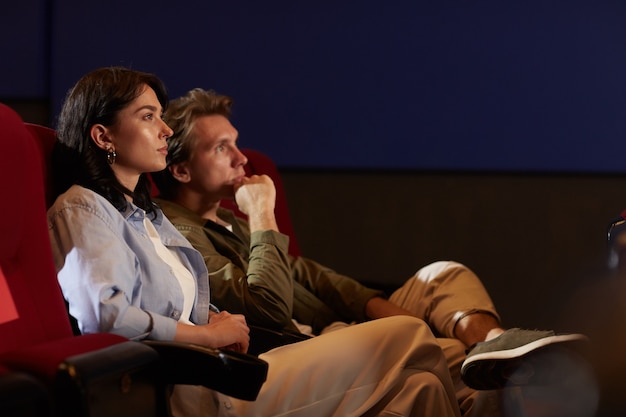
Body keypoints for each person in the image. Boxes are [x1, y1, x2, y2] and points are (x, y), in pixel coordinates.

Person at [47, 66, 464, 417]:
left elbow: (185, 301)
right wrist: (206, 336)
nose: (165, 129)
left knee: (422, 390)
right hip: (196, 386)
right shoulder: (83, 207)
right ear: (104, 137)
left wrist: (215, 319)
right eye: (148, 117)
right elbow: (103, 316)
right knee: (409, 333)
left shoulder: (147, 217)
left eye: (161, 115)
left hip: (231, 365)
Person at [152, 88, 593, 416]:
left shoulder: (228, 218)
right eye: (221, 148)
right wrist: (264, 213)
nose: (241, 158)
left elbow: (311, 274)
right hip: (303, 345)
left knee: (445, 274)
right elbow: (267, 307)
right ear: (182, 169)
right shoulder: (177, 231)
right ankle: (493, 358)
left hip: (345, 326)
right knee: (464, 374)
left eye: (236, 142)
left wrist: (382, 307)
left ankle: (495, 343)